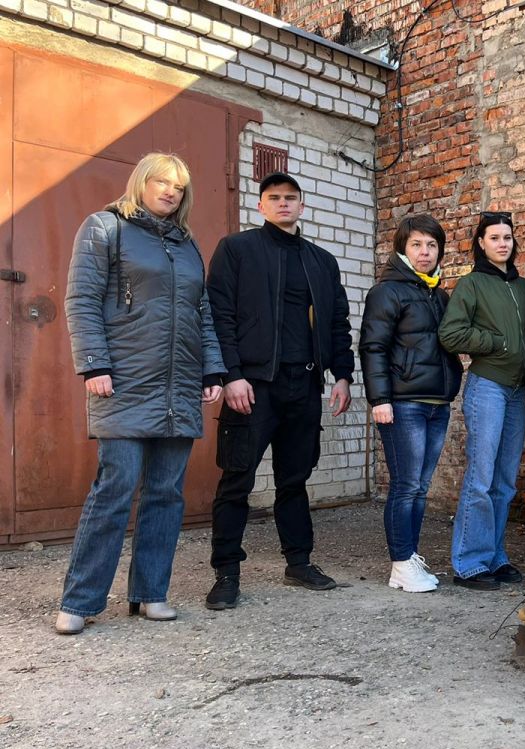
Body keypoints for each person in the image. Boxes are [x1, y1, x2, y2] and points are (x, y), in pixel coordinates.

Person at [56, 152, 225, 635]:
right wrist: (94, 364)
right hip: (125, 379)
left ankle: (150, 592)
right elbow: (82, 299)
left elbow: (203, 314)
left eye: (179, 186)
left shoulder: (187, 243)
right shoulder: (104, 227)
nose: (171, 192)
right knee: (114, 488)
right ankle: (81, 600)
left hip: (178, 383)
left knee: (166, 493)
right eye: (162, 182)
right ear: (142, 181)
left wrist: (211, 370)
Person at [203, 172, 354, 610]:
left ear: (302, 206)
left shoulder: (322, 261)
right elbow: (219, 316)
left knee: (295, 479)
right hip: (252, 385)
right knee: (236, 480)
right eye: (275, 198)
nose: (283, 204)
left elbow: (337, 324)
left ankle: (299, 562)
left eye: (291, 198)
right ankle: (226, 572)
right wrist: (230, 375)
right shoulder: (237, 250)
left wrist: (341, 375)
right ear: (261, 206)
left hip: (304, 383)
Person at [359, 215, 463, 593]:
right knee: (405, 485)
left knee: (420, 485)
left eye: (432, 245)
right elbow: (373, 347)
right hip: (403, 404)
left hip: (436, 402)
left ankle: (409, 555)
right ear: (403, 248)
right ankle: (401, 563)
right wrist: (379, 399)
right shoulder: (388, 291)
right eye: (417, 244)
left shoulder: (437, 292)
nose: (425, 252)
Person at [438, 212, 525, 591]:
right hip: (488, 386)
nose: (502, 243)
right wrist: (497, 344)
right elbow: (451, 333)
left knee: (505, 480)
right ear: (481, 242)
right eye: (494, 237)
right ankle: (469, 562)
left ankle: (495, 556)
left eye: (507, 237)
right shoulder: (471, 284)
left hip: (518, 391)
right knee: (481, 476)